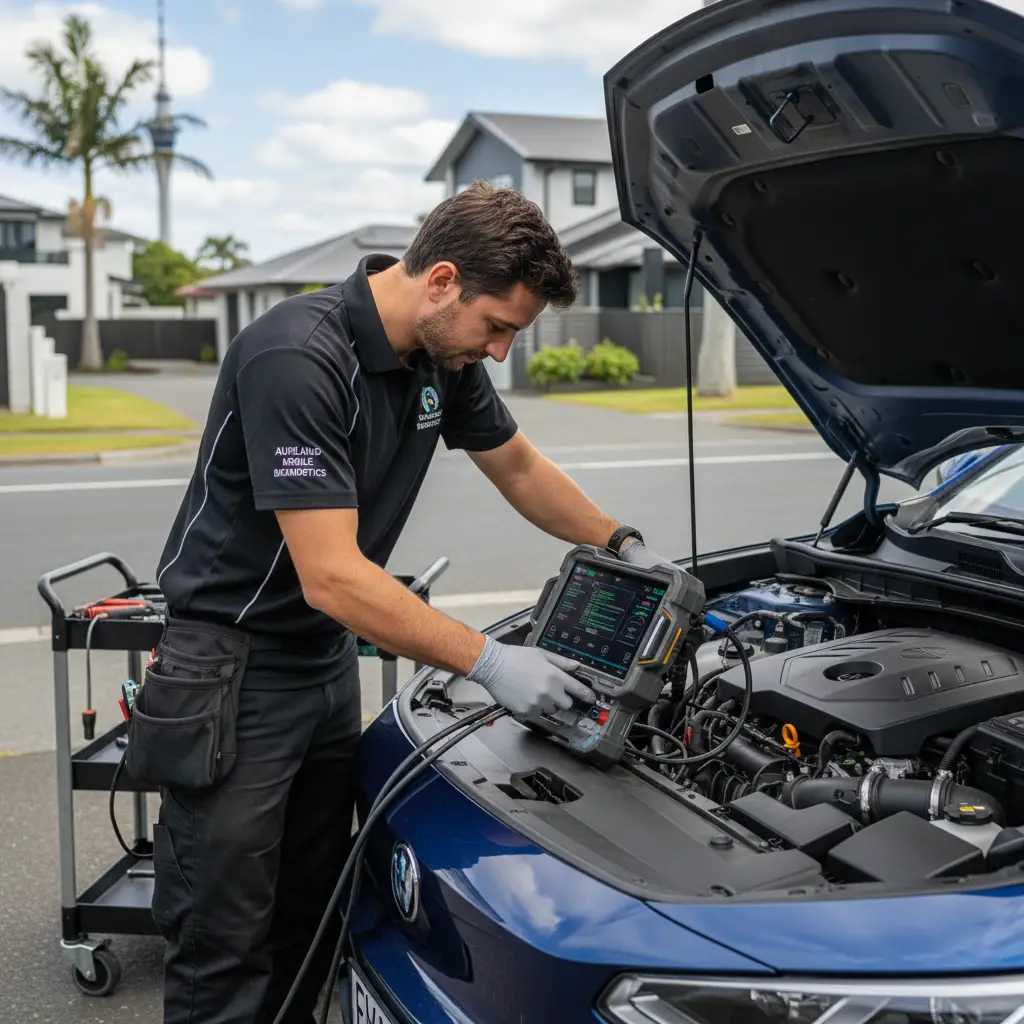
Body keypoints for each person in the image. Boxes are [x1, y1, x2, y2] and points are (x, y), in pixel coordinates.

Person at [141, 179, 672, 1023]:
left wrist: (623, 545)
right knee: (224, 941)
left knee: (310, 918)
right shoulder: (299, 357)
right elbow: (334, 575)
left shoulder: (439, 357)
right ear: (441, 281)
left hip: (319, 666)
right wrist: (491, 661)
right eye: (498, 326)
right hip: (231, 676)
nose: (500, 352)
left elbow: (520, 467)